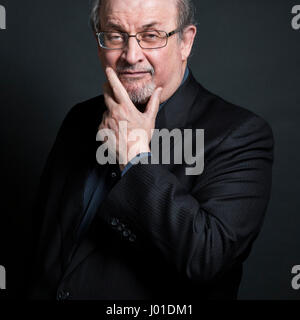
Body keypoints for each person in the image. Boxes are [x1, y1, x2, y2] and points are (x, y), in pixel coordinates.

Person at [28, 0, 274, 300]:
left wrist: (135, 159)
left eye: (152, 35)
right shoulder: (79, 120)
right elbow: (44, 245)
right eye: (115, 35)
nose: (131, 56)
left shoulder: (239, 134)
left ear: (186, 42)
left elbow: (206, 259)